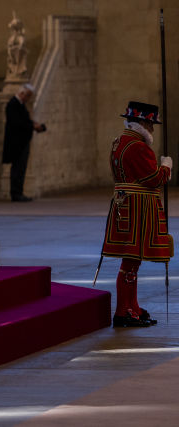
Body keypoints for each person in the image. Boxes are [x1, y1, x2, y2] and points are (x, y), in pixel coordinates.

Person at [100, 101, 172, 328]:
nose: (152, 129)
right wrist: (166, 168)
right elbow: (152, 179)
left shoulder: (119, 141)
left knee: (132, 262)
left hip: (125, 206)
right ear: (142, 123)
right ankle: (124, 311)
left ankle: (133, 307)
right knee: (130, 263)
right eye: (150, 124)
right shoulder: (138, 147)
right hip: (138, 209)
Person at [1, 83, 46, 202]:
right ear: (22, 94)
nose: (28, 99)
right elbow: (17, 123)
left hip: (21, 142)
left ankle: (18, 192)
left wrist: (33, 124)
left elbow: (24, 120)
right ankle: (16, 193)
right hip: (16, 143)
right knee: (17, 168)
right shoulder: (12, 104)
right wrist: (32, 126)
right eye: (27, 96)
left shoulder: (20, 105)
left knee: (21, 168)